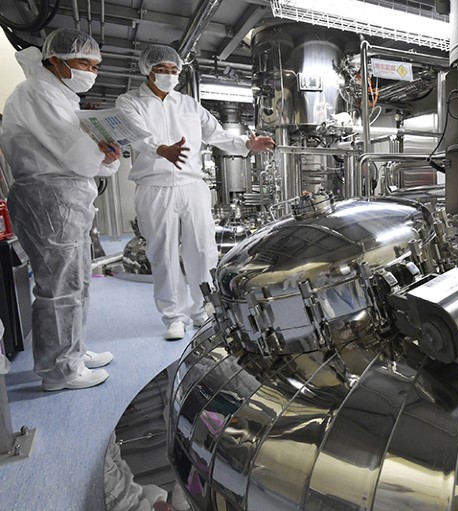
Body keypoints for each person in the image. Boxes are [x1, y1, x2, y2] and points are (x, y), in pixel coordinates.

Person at [115, 44, 275, 340]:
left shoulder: (188, 104)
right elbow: (136, 134)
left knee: (202, 250)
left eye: (173, 70)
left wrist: (246, 145)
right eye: (161, 69)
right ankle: (174, 316)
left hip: (193, 186)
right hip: (154, 186)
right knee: (162, 253)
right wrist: (161, 149)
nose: (169, 74)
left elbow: (216, 134)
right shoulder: (130, 102)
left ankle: (203, 308)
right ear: (147, 70)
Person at [0, 28, 122, 391]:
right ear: (55, 59)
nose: (91, 71)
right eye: (84, 62)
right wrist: (101, 152)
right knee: (59, 286)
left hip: (66, 197)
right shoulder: (36, 92)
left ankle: (74, 351)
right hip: (48, 198)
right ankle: (59, 371)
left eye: (96, 66)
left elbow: (87, 155)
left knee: (77, 281)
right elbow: (74, 151)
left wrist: (107, 154)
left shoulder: (62, 96)